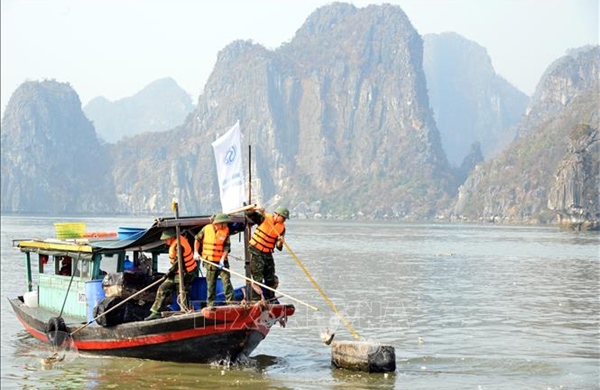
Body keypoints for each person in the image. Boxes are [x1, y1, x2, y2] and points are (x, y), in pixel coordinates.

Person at [145, 228, 197, 321]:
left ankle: (186, 311)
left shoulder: (179, 245)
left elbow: (178, 262)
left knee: (181, 292)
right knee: (162, 288)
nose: (165, 241)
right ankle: (155, 312)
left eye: (166, 239)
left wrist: (169, 272)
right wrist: (171, 273)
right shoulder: (175, 243)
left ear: (172, 238)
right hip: (177, 272)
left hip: (186, 273)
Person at [245, 205, 289, 301]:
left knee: (270, 278)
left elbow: (278, 247)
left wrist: (280, 241)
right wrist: (256, 209)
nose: (284, 220)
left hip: (267, 253)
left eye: (285, 219)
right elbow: (249, 214)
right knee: (258, 277)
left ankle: (270, 298)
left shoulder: (282, 229)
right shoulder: (264, 218)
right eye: (283, 218)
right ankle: (256, 300)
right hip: (256, 250)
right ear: (277, 215)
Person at [194, 213, 234, 307]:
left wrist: (222, 259)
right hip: (210, 262)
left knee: (226, 281)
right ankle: (210, 304)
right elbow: (197, 239)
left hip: (222, 262)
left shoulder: (226, 231)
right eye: (223, 223)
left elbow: (227, 247)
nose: (225, 225)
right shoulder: (206, 229)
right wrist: (196, 252)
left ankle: (231, 302)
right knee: (211, 284)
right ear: (217, 223)